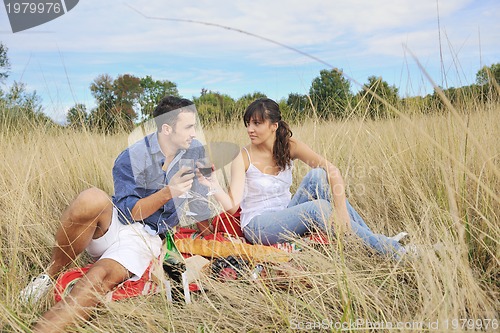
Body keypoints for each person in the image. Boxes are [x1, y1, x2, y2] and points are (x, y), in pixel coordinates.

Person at [20, 96, 213, 332]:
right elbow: (132, 211)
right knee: (91, 197)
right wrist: (168, 193)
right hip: (116, 222)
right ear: (166, 128)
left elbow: (200, 198)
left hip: (143, 237)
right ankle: (50, 274)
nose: (194, 133)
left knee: (96, 278)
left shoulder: (194, 150)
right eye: (188, 127)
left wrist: (207, 232)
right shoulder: (131, 156)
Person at [199, 98, 409, 259]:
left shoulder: (290, 146)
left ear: (274, 125)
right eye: (248, 123)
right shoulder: (242, 156)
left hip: (287, 212)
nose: (250, 129)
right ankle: (393, 251)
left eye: (257, 123)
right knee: (319, 208)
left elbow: (332, 170)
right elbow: (233, 207)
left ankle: (373, 240)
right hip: (259, 226)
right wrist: (214, 185)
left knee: (317, 175)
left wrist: (342, 213)